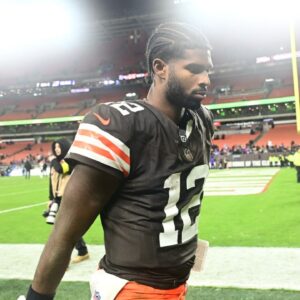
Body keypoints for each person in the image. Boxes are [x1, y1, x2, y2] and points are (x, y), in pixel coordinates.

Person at [24, 22, 214, 300]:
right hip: (130, 290)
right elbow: (64, 234)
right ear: (160, 68)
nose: (205, 79)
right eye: (194, 69)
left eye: (208, 69)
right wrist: (36, 298)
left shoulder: (201, 119)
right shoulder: (121, 125)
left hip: (176, 285)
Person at [43, 138, 89, 263]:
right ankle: (82, 251)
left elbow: (62, 169)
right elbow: (51, 182)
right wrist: (50, 199)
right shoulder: (55, 162)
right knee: (66, 228)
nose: (56, 149)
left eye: (59, 147)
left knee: (63, 229)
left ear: (64, 147)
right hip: (57, 198)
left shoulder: (70, 160)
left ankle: (63, 260)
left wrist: (53, 162)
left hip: (68, 198)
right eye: (55, 147)